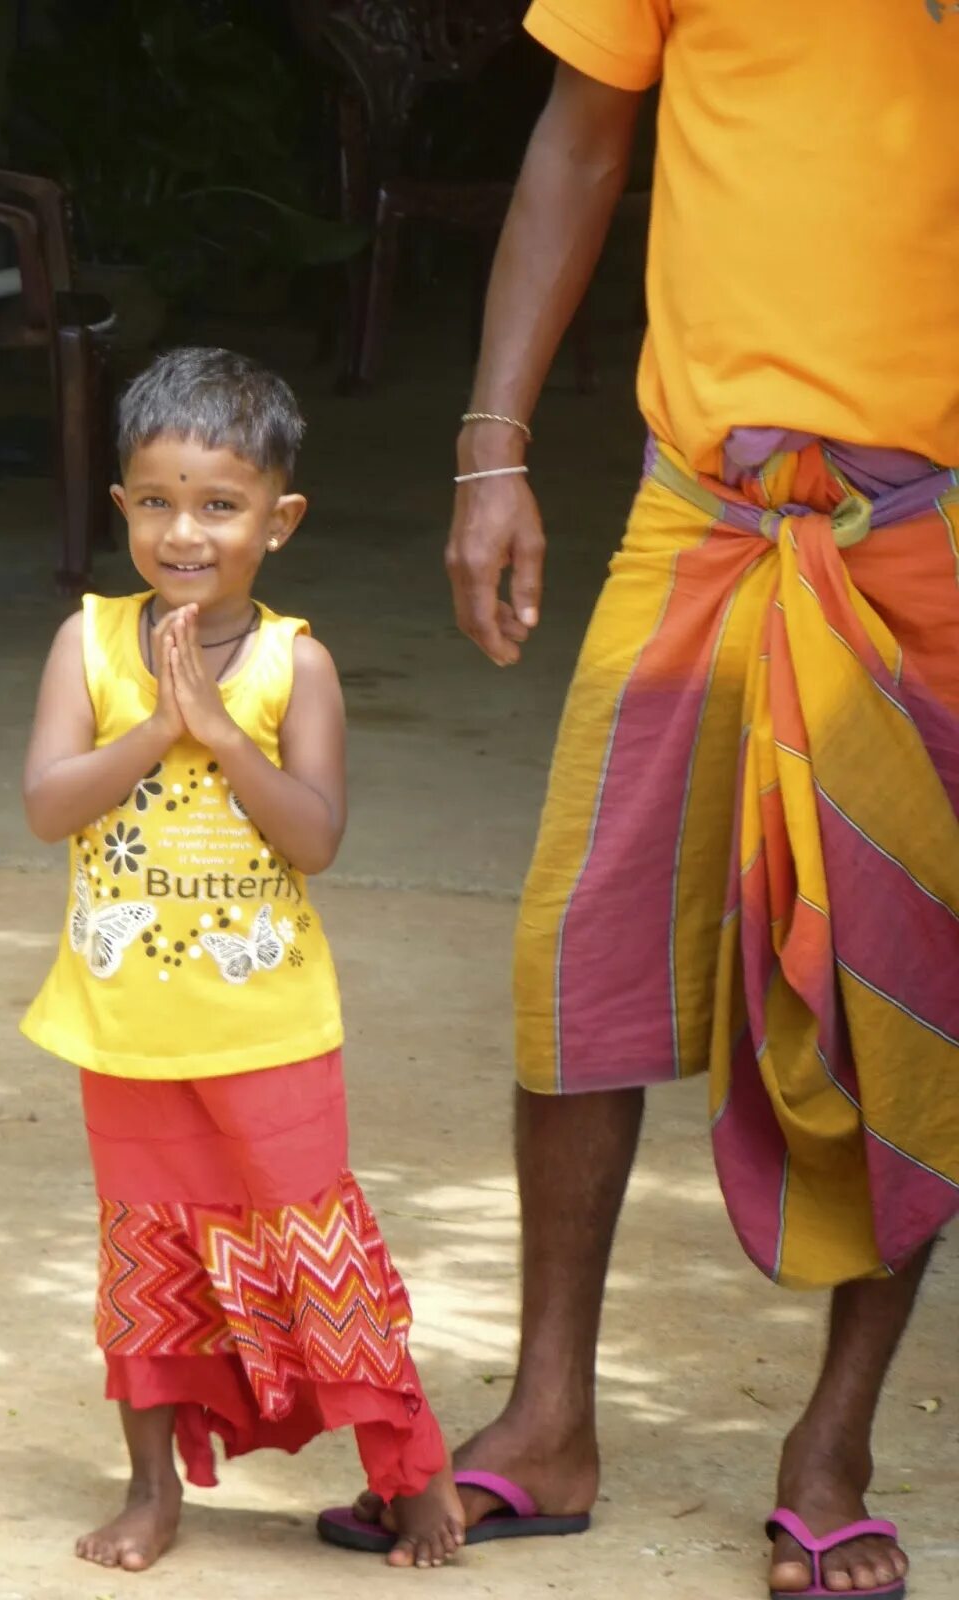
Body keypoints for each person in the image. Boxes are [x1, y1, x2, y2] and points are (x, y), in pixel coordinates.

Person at [327, 4, 959, 1596]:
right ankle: (549, 1419)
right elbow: (579, 137)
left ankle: (835, 1444)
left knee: (916, 995)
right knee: (580, 961)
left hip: (939, 542)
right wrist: (491, 449)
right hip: (703, 516)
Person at [19, 347, 464, 1573]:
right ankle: (154, 1489)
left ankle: (410, 1473)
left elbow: (314, 835)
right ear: (121, 508)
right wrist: (157, 725)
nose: (185, 532)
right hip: (127, 1031)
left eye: (220, 505)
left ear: (282, 518)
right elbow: (50, 803)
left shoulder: (295, 663)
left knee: (318, 1245)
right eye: (156, 501)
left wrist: (220, 735)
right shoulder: (93, 643)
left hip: (269, 1028)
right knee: (145, 1259)